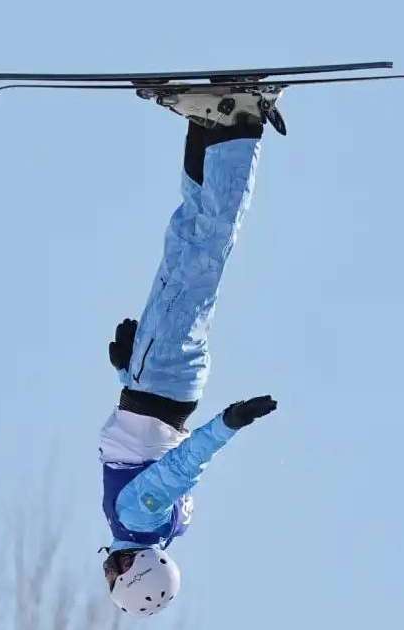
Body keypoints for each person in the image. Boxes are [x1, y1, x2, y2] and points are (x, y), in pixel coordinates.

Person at [97, 91, 284, 617]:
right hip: (161, 375)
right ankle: (240, 124)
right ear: (134, 571)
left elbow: (153, 447)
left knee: (187, 245)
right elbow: (179, 463)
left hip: (152, 380)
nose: (107, 568)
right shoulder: (138, 518)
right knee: (203, 253)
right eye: (115, 576)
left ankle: (208, 126)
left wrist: (123, 372)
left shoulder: (166, 524)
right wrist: (229, 423)